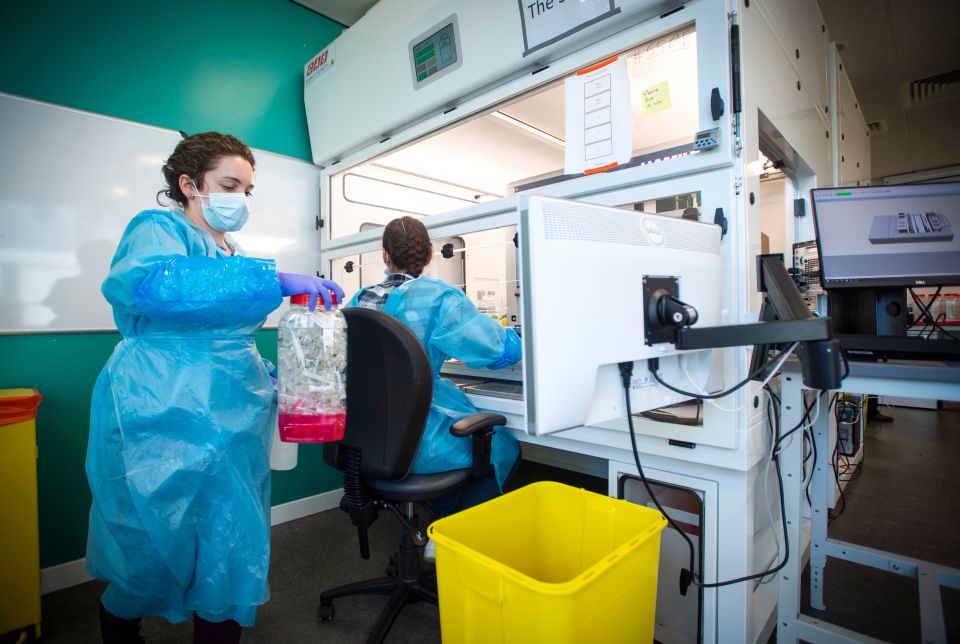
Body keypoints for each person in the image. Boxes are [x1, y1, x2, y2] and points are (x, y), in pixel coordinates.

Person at [85, 132, 344, 644]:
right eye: (229, 184)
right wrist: (274, 281)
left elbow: (227, 330)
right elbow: (157, 288)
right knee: (151, 531)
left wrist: (270, 376)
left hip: (232, 405)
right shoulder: (157, 228)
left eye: (248, 189)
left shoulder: (233, 250)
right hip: (160, 400)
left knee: (230, 533)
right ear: (189, 184)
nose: (240, 199)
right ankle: (121, 627)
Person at [349, 216, 522, 512]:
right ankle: (450, 529)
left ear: (385, 255)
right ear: (429, 254)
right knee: (503, 446)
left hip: (367, 437)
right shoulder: (440, 298)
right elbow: (495, 350)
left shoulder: (358, 300)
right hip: (421, 438)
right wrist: (517, 339)